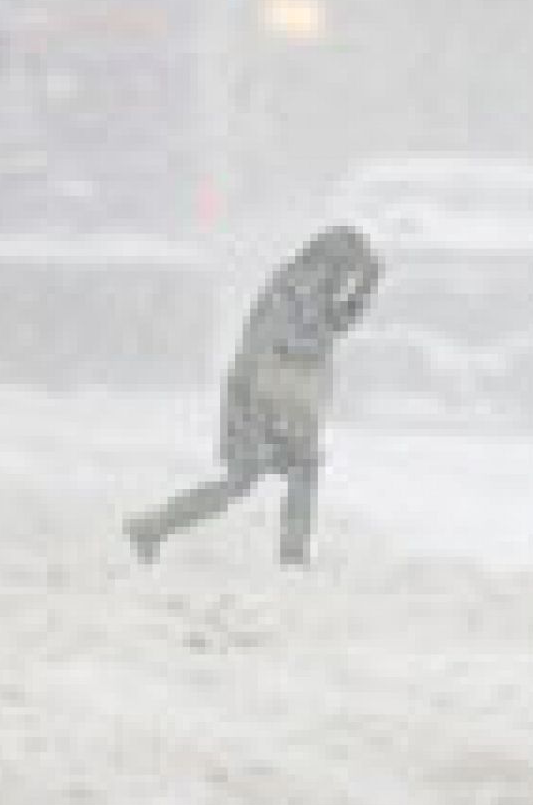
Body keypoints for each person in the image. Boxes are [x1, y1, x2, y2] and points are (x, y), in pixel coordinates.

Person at [125, 224, 381, 566]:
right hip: (260, 395)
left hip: (281, 395)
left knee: (287, 473)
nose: (349, 277)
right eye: (351, 269)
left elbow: (332, 326)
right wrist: (262, 409)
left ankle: (157, 527)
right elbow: (294, 341)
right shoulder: (298, 287)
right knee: (248, 479)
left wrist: (363, 292)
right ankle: (153, 527)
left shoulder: (311, 286)